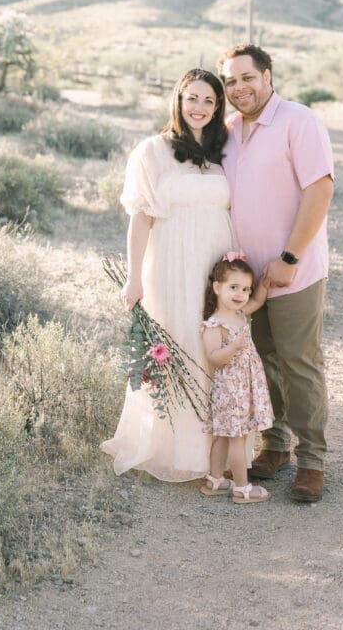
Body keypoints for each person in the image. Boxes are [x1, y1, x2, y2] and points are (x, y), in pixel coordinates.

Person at [101, 68, 237, 481]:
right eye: (192, 98)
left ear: (218, 108)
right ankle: (172, 448)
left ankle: (216, 455)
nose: (200, 108)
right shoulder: (153, 150)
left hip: (215, 263)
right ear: (178, 101)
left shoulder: (223, 152)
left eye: (209, 101)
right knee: (178, 340)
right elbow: (140, 219)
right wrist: (133, 277)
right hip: (170, 262)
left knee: (212, 347)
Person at [218, 44, 334, 503]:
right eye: (229, 81)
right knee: (263, 360)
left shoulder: (299, 122)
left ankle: (312, 462)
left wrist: (288, 259)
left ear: (267, 76)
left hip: (293, 270)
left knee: (299, 363)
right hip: (247, 277)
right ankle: (276, 444)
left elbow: (319, 191)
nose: (238, 88)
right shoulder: (229, 130)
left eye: (246, 77)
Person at [200, 252, 273, 504]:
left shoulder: (240, 313)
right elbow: (213, 356)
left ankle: (215, 480)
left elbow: (257, 303)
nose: (241, 294)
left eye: (245, 289)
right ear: (217, 288)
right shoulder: (215, 324)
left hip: (242, 386)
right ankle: (242, 488)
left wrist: (262, 286)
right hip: (230, 389)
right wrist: (233, 347)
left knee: (223, 435)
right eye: (234, 287)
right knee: (236, 438)